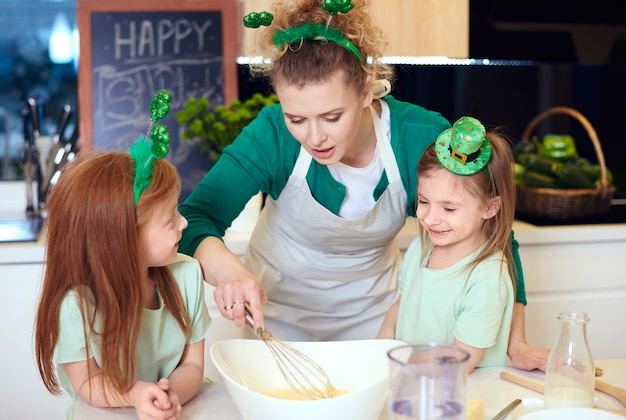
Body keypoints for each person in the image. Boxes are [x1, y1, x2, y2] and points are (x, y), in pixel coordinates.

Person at [179, 0, 548, 369]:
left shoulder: (417, 136)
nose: (315, 137)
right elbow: (196, 216)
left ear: (365, 91)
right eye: (297, 118)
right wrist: (230, 272)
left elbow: (496, 236)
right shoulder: (272, 133)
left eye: (332, 116)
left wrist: (516, 343)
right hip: (275, 325)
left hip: (377, 326)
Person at [35, 91, 211, 420]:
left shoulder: (187, 274)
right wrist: (135, 393)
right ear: (122, 238)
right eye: (170, 218)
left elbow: (193, 365)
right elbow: (88, 381)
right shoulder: (78, 304)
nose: (184, 223)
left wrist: (169, 396)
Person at [377, 117, 516, 372]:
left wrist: (400, 364)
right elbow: (399, 309)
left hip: (463, 397)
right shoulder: (420, 250)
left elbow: (460, 361)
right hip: (414, 384)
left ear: (490, 207)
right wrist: (376, 357)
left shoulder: (485, 278)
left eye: (449, 208)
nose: (429, 218)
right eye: (424, 201)